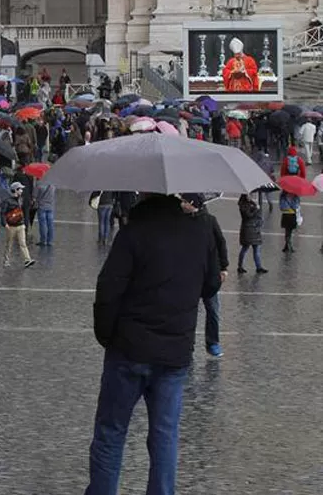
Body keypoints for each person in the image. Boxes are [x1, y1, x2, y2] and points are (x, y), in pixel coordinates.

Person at [86, 193, 220, 495]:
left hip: (128, 350)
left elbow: (107, 290)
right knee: (165, 436)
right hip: (175, 353)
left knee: (111, 432)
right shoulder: (201, 231)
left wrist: (107, 336)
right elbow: (212, 284)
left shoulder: (133, 233)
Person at [180, 194, 229, 358]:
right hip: (189, 275)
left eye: (185, 202)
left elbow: (221, 242)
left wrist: (224, 267)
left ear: (193, 204)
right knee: (188, 312)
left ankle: (213, 342)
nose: (182, 204)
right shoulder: (180, 222)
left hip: (210, 274)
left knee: (213, 310)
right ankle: (188, 344)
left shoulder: (210, 221)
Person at [1, 182, 36, 268]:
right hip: (11, 226)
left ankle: (27, 259)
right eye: (20, 189)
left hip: (20, 225)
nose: (22, 190)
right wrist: (5, 224)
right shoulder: (8, 201)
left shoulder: (20, 199)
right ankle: (6, 260)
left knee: (23, 243)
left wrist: (23, 222)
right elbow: (2, 213)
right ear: (15, 190)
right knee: (9, 244)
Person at [237, 194, 267, 274]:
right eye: (249, 195)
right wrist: (255, 209)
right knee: (245, 248)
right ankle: (240, 266)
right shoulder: (243, 205)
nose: (251, 196)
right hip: (248, 229)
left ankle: (259, 267)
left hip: (255, 229)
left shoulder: (252, 203)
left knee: (256, 249)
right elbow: (248, 215)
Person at [35, 182, 55, 246]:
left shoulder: (39, 185)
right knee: (50, 224)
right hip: (50, 207)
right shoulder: (53, 185)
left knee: (43, 224)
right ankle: (50, 241)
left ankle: (43, 241)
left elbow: (34, 195)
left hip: (42, 207)